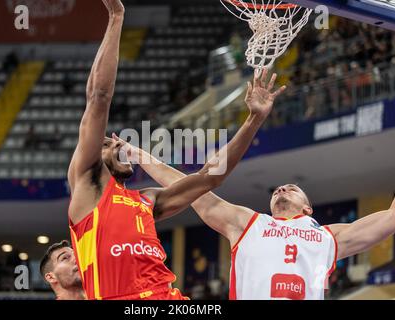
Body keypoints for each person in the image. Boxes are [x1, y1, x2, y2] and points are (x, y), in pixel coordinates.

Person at [67, 0, 285, 300]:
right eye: (107, 143)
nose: (116, 142)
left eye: (116, 140)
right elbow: (99, 97)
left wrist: (254, 119)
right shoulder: (88, 187)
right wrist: (117, 16)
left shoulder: (147, 202)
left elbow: (211, 177)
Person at [125, 128, 395, 300]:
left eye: (291, 188)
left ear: (308, 208)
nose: (282, 188)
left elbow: (392, 217)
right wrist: (140, 156)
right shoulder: (249, 224)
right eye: (278, 189)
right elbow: (191, 190)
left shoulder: (329, 237)